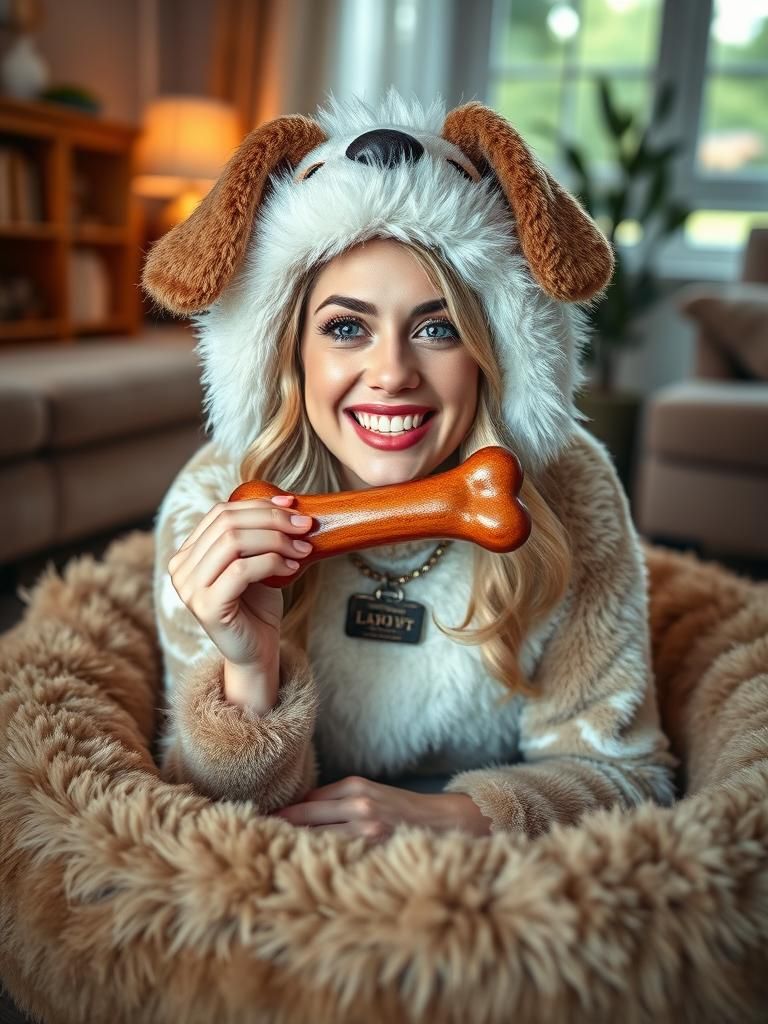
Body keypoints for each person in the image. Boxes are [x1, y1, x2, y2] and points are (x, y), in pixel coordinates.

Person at [144, 90, 676, 842]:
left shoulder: (572, 494)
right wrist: (249, 673)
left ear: (497, 353)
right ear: (288, 354)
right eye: (346, 327)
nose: (391, 372)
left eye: (438, 326)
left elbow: (632, 775)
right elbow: (200, 822)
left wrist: (453, 815)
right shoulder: (213, 506)